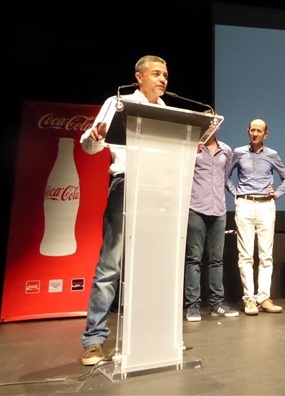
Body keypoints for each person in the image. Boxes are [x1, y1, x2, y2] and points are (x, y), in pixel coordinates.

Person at [79, 55, 169, 366]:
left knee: (151, 266)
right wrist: (95, 138)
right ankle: (94, 340)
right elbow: (89, 145)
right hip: (126, 184)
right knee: (111, 264)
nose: (163, 80)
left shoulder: (167, 112)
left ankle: (150, 335)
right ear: (139, 77)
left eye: (166, 75)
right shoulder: (118, 103)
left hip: (158, 190)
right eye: (156, 74)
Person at [226, 119, 285, 315]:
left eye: (259, 131)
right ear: (248, 132)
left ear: (265, 134)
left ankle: (263, 297)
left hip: (265, 205)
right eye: (252, 130)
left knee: (266, 255)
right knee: (245, 254)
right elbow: (226, 176)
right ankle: (249, 299)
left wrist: (277, 193)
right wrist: (235, 193)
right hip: (245, 204)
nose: (255, 133)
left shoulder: (272, 155)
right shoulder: (238, 152)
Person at [184, 133, 239, 321]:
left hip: (219, 209)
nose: (211, 126)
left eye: (214, 122)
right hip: (196, 207)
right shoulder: (192, 148)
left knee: (217, 259)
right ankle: (193, 305)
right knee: (194, 258)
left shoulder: (226, 150)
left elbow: (225, 176)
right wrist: (191, 152)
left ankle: (217, 303)